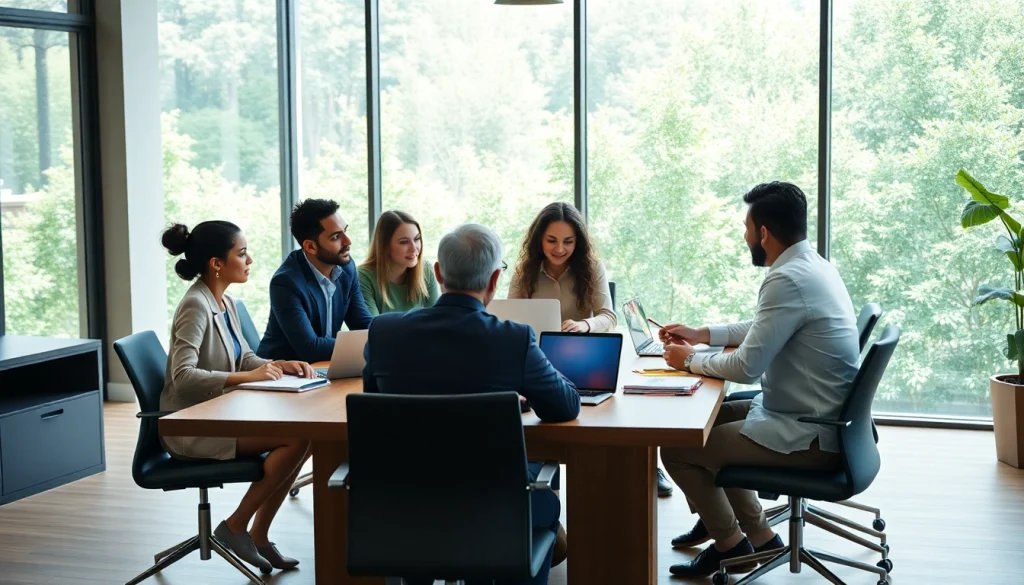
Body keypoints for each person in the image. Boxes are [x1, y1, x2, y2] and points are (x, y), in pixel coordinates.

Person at [656, 182, 860, 578]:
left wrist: (689, 360)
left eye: (746, 227)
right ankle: (760, 537)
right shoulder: (812, 265)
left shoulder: (787, 279)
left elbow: (746, 367)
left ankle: (730, 544)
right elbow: (763, 328)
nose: (745, 235)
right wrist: (702, 334)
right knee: (705, 424)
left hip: (810, 433)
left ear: (763, 232)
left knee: (679, 447)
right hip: (811, 414)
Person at [362, 223, 580, 585]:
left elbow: (375, 403)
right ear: (494, 279)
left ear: (437, 273)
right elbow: (565, 406)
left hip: (403, 507)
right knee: (543, 506)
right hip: (494, 511)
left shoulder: (384, 331)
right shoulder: (514, 339)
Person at [160, 221, 314, 574]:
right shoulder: (195, 305)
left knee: (306, 436)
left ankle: (257, 534)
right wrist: (248, 377)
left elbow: (244, 357)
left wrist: (278, 365)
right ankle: (237, 526)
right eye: (242, 253)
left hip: (217, 416)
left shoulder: (225, 301)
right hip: (190, 427)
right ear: (216, 263)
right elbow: (182, 378)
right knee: (297, 438)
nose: (250, 260)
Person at [258, 199, 373, 362]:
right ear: (310, 246)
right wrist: (370, 342)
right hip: (283, 372)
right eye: (336, 237)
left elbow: (362, 323)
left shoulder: (346, 267)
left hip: (324, 367)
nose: (348, 241)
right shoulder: (286, 282)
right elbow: (310, 348)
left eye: (345, 231)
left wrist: (387, 336)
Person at [509, 202, 616, 333]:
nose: (559, 249)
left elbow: (609, 318)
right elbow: (510, 318)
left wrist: (585, 325)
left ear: (577, 242)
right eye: (551, 241)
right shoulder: (524, 272)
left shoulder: (593, 268)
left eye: (568, 241)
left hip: (578, 343)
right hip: (536, 344)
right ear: (539, 239)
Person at [357, 210, 440, 316]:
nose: (414, 248)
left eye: (417, 239)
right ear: (385, 246)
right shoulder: (363, 277)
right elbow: (373, 325)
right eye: (404, 242)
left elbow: (436, 320)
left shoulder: (426, 270)